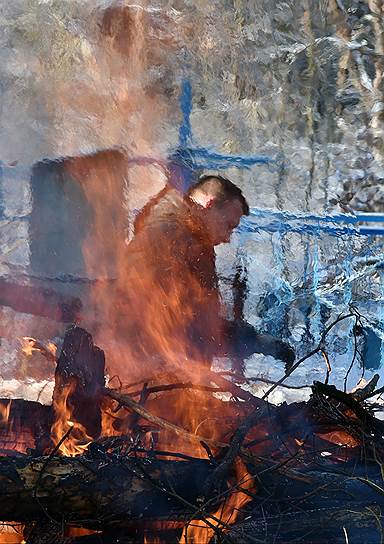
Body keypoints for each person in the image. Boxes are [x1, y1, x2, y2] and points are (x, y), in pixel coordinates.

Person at [115, 175, 295, 376]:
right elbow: (190, 328)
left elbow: (197, 324)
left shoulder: (185, 234)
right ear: (209, 204)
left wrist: (252, 341)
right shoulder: (178, 240)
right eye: (228, 225)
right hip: (151, 372)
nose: (227, 238)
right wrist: (252, 341)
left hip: (159, 369)